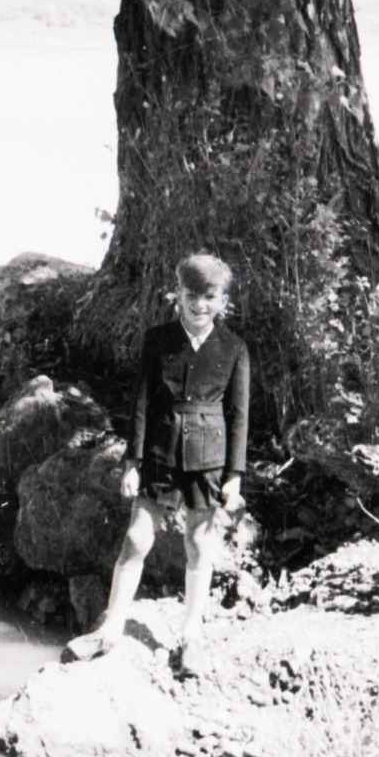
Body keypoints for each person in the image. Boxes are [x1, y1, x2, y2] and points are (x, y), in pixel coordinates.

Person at [63, 253, 250, 677]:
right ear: (177, 296)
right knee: (136, 539)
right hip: (161, 455)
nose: (199, 305)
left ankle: (191, 637)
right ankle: (109, 629)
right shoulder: (157, 339)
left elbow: (239, 416)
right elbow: (142, 405)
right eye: (191, 295)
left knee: (199, 545)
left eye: (209, 297)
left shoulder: (235, 349)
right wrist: (133, 462)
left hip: (208, 462)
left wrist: (235, 477)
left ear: (222, 301)